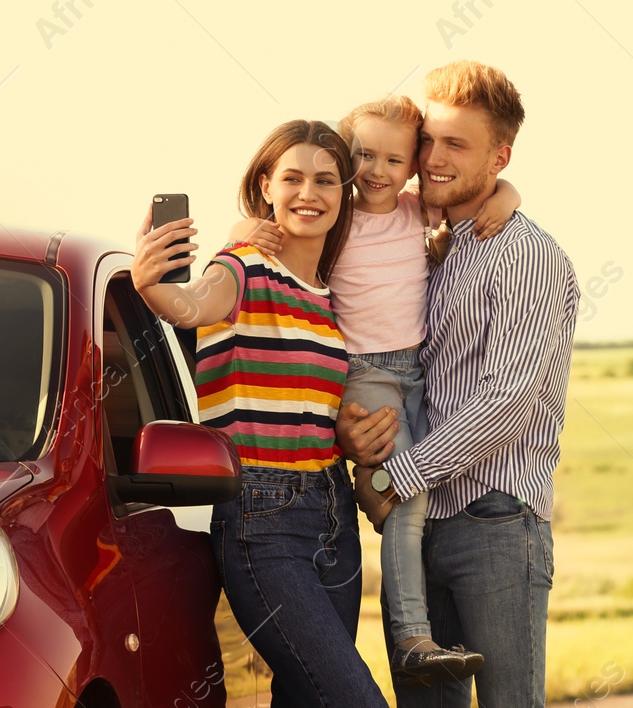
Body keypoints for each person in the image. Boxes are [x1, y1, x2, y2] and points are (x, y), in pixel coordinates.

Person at [242, 94, 522, 688]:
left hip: (417, 372)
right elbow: (276, 228)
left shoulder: (418, 213)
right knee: (408, 496)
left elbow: (486, 195)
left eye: (393, 160)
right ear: (345, 159)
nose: (375, 171)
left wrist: (508, 194)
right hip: (367, 375)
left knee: (407, 498)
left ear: (413, 167)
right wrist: (249, 228)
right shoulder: (335, 221)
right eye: (363, 155)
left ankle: (418, 634)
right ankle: (412, 637)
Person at [340, 60, 580, 707]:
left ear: (501, 155)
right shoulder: (436, 243)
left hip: (494, 523)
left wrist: (394, 478)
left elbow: (506, 403)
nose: (432, 158)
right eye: (429, 141)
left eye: (457, 144)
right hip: (418, 530)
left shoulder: (524, 255)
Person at [129, 119, 385, 706]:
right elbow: (194, 303)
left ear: (342, 193)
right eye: (292, 178)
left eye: (325, 180)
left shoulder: (329, 300)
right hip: (261, 519)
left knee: (305, 696)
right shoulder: (241, 266)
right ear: (266, 186)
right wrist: (154, 287)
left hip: (334, 513)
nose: (308, 193)